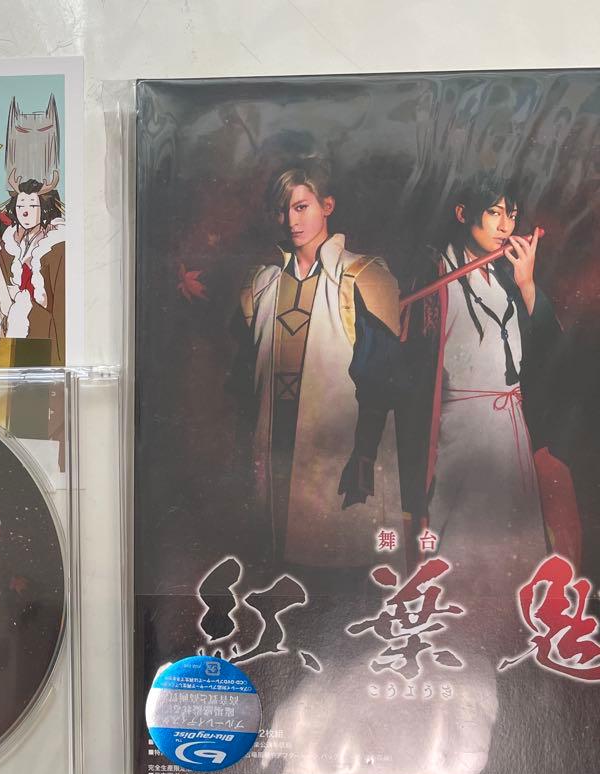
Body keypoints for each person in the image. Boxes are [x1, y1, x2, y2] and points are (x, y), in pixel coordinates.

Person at [399, 169, 578, 593]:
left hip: (510, 427)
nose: (505, 226)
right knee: (458, 553)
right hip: (458, 430)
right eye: (494, 213)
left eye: (511, 215)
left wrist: (527, 284)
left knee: (512, 556)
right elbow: (412, 371)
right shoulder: (434, 272)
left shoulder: (507, 274)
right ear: (463, 213)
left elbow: (551, 350)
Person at [232, 157, 405, 568]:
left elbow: (380, 378)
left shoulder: (362, 276)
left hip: (339, 451)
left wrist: (365, 454)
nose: (292, 220)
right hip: (272, 448)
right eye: (283, 210)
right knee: (275, 565)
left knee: (337, 563)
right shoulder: (262, 284)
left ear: (327, 206)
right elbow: (244, 379)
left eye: (301, 207)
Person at [0, 172, 66, 361]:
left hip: (41, 329)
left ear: (44, 208)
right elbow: (5, 305)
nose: (25, 212)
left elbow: (55, 306)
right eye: (20, 206)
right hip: (14, 323)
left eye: (32, 206)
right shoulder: (12, 244)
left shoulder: (56, 246)